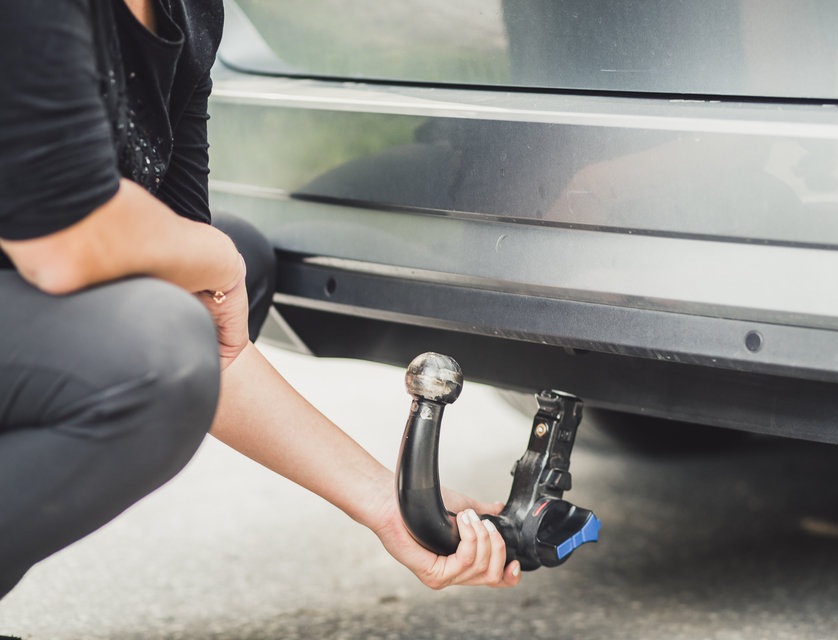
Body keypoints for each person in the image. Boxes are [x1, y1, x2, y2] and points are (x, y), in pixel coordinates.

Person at [0, 0, 521, 599]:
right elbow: (64, 240)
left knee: (220, 278)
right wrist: (216, 259)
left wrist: (387, 501)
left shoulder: (188, 12)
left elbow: (204, 313)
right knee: (162, 341)